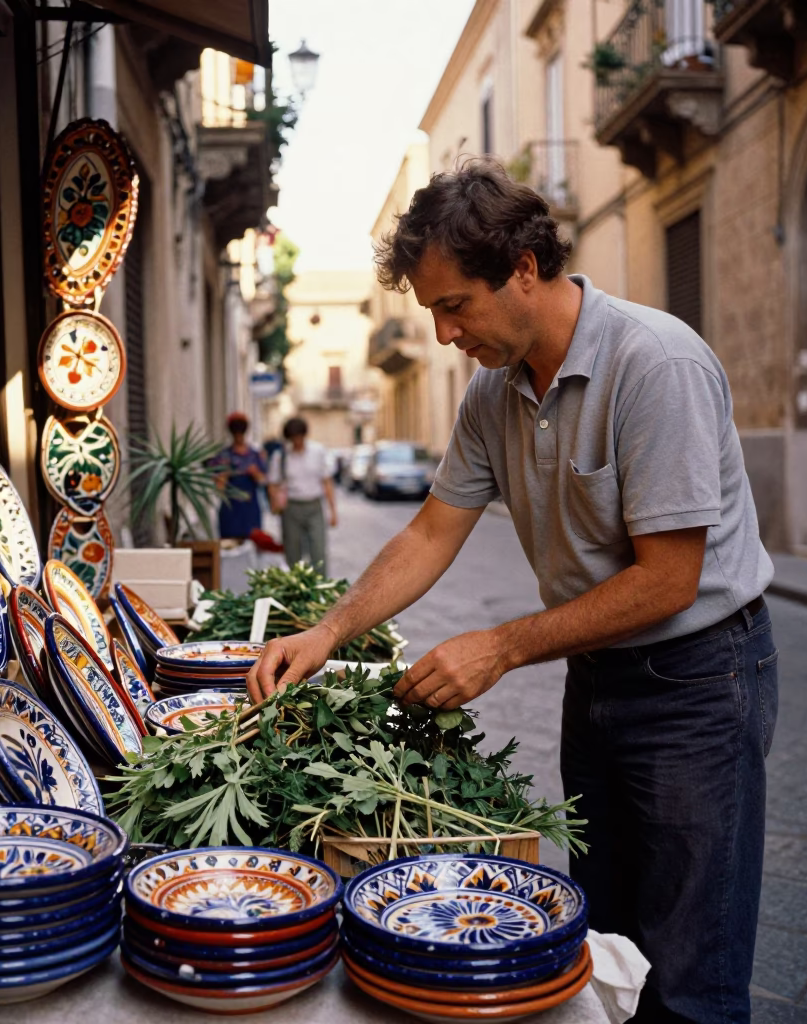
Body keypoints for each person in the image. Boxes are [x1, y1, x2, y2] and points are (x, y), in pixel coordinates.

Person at [247, 160, 777, 1024]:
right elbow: (430, 531)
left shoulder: (655, 363)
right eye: (432, 313)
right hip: (597, 678)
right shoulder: (493, 392)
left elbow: (669, 579)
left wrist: (498, 646)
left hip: (699, 684)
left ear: (524, 269)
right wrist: (328, 633)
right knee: (604, 945)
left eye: (454, 306)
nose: (446, 334)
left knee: (692, 972)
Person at [267, 416, 338, 575]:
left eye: (299, 437)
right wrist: (276, 502)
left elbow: (327, 482)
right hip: (291, 507)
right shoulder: (281, 456)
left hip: (314, 505)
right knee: (292, 551)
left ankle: (321, 589)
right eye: (293, 438)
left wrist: (333, 511)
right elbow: (272, 483)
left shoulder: (318, 451)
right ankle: (297, 590)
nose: (297, 441)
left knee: (318, 549)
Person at [212, 412, 267, 541]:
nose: (239, 436)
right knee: (229, 543)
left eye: (241, 432)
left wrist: (255, 473)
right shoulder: (223, 456)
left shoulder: (255, 455)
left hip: (250, 507)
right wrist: (224, 474)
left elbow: (264, 481)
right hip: (230, 508)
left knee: (253, 543)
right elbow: (218, 488)